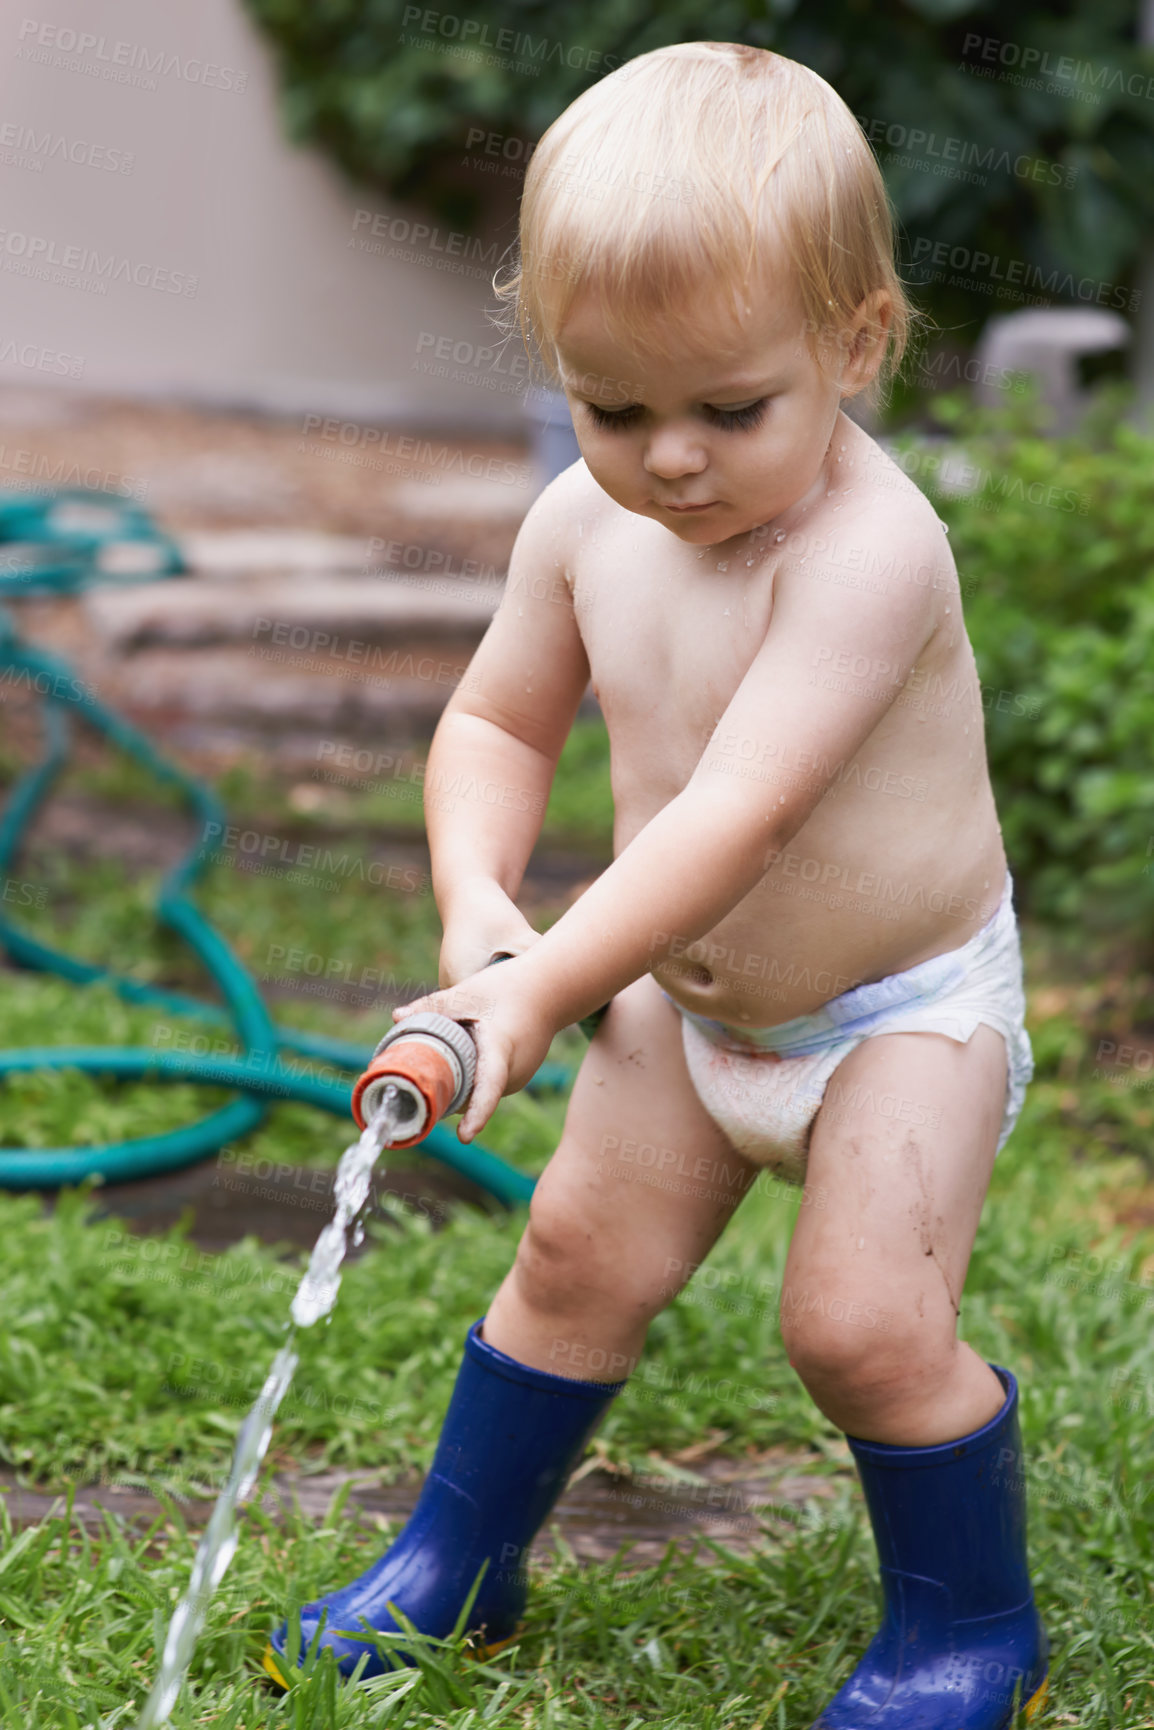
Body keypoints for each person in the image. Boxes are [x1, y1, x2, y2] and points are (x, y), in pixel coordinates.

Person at [266, 40, 1048, 1728]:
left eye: (727, 407)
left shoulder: (868, 552)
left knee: (857, 1323)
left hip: (893, 1014)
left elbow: (736, 821)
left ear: (855, 342)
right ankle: (458, 1562)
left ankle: (967, 1627)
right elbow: (491, 717)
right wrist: (482, 907)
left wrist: (543, 985)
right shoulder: (583, 523)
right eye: (613, 407)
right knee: (567, 1253)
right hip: (684, 1002)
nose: (670, 458)